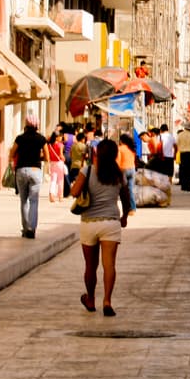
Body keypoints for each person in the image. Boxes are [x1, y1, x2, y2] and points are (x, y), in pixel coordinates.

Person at [71, 137, 132, 316]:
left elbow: (74, 192)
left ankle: (90, 299)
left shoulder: (87, 170)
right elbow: (126, 199)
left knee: (90, 266)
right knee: (109, 265)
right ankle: (107, 301)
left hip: (89, 222)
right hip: (111, 223)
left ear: (97, 153)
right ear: (114, 154)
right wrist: (125, 216)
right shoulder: (118, 174)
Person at [10, 114, 46, 239]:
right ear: (37, 125)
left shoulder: (20, 138)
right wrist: (38, 157)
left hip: (21, 170)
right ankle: (32, 228)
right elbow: (47, 156)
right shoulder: (41, 139)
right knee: (34, 201)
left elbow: (12, 152)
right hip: (35, 170)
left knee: (23, 201)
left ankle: (25, 229)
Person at [117, 132, 138, 214]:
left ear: (121, 141)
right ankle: (133, 209)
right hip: (132, 169)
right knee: (130, 190)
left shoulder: (120, 148)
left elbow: (118, 161)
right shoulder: (131, 148)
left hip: (123, 170)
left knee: (123, 192)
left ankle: (125, 209)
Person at [45, 130, 67, 203]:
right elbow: (61, 155)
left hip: (52, 163)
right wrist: (64, 158)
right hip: (59, 163)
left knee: (53, 180)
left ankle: (51, 195)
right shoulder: (60, 145)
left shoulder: (49, 145)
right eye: (60, 137)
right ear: (56, 137)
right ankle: (60, 197)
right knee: (60, 180)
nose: (61, 138)